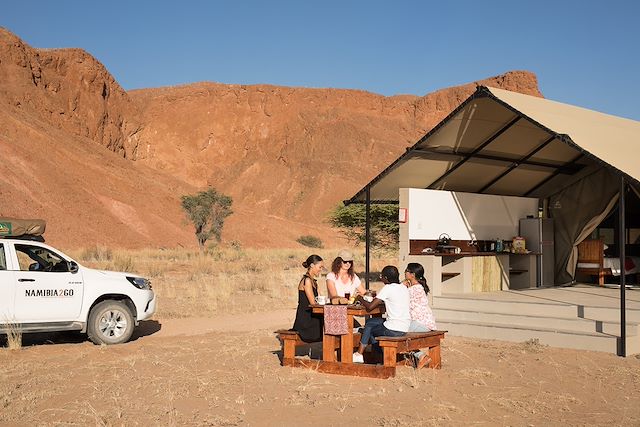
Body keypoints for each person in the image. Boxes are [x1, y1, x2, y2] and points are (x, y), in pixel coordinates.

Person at [352, 265, 410, 364]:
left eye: (381, 276)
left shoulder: (387, 288)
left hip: (392, 329)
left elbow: (370, 308)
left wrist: (360, 298)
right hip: (404, 327)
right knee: (371, 322)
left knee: (369, 328)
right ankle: (378, 356)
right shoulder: (403, 287)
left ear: (386, 278)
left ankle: (359, 354)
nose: (381, 278)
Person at [403, 262, 437, 368]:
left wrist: (402, 285)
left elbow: (400, 297)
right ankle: (415, 356)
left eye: (407, 271)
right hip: (422, 323)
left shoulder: (414, 289)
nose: (405, 272)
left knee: (396, 332)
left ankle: (421, 356)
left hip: (421, 324)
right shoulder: (417, 287)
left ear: (412, 274)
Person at [291, 254, 325, 342]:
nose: (321, 270)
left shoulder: (313, 281)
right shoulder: (307, 281)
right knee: (328, 328)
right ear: (312, 265)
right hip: (306, 319)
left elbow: (320, 298)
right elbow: (313, 303)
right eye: (320, 267)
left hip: (313, 315)